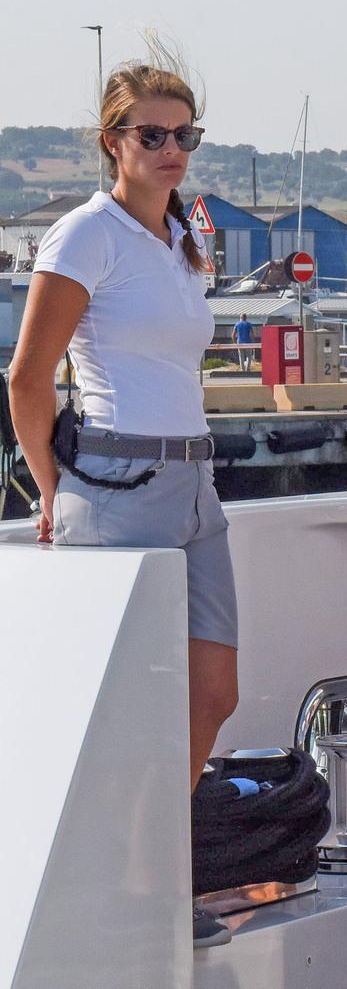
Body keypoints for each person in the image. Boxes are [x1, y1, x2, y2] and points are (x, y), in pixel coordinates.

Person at [5, 52, 236, 945]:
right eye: (153, 134)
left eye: (185, 134)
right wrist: (57, 492)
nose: (173, 147)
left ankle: (150, 883)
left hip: (195, 482)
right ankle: (110, 895)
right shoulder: (86, 234)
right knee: (119, 704)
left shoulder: (179, 238)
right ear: (115, 143)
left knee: (211, 691)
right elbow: (28, 379)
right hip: (117, 482)